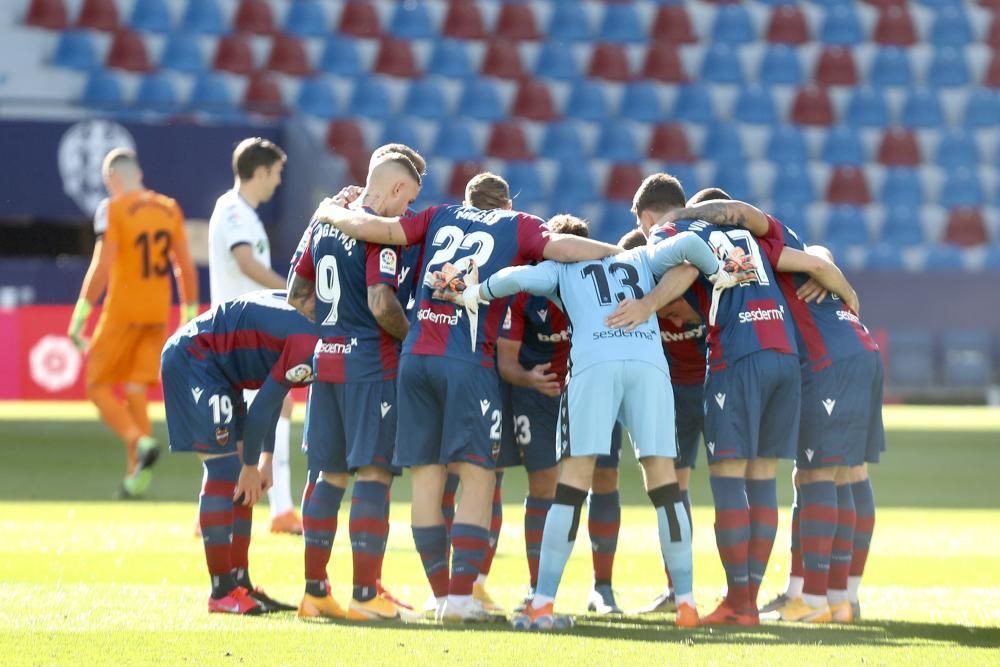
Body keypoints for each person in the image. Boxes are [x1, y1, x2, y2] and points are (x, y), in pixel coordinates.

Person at [310, 172, 620, 622]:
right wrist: (622, 253)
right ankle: (460, 599)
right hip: (467, 360)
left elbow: (371, 228)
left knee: (427, 478)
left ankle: (441, 597)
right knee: (479, 476)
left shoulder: (437, 215)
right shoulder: (520, 225)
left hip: (414, 356)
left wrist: (327, 209)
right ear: (507, 203)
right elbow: (564, 248)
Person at [442, 215, 745, 630]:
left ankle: (543, 601)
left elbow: (516, 278)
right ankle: (688, 604)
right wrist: (720, 272)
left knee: (571, 486)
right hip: (648, 363)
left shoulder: (560, 268)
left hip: (594, 362)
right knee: (665, 485)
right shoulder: (638, 256)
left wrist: (474, 293)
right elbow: (692, 244)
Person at [606, 174, 858, 625]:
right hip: (784, 353)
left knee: (728, 480)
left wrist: (645, 306)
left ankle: (739, 603)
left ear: (647, 218)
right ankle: (751, 600)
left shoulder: (674, 233)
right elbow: (817, 260)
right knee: (764, 480)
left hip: (738, 355)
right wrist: (850, 296)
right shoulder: (752, 238)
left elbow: (683, 268)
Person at [286, 153, 422, 621]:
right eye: (410, 200)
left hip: (327, 362)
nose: (406, 213)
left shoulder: (323, 227)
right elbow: (382, 302)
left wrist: (335, 329)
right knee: (374, 473)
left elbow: (296, 294)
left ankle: (315, 592)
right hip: (372, 365)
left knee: (328, 475)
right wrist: (412, 338)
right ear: (399, 190)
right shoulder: (376, 235)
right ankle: (366, 595)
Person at [160, 290, 318, 615]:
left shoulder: (317, 324)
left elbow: (273, 396)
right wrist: (250, 463)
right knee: (225, 471)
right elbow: (262, 405)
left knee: (246, 479)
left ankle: (239, 581)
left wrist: (265, 460)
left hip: (222, 370)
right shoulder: (316, 341)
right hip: (195, 358)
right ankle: (220, 591)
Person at [498, 216, 625, 614]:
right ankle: (539, 590)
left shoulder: (606, 291)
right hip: (539, 398)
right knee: (544, 487)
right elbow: (506, 362)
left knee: (604, 478)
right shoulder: (526, 291)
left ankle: (602, 590)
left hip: (595, 394)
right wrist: (528, 378)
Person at [68, 148, 198, 499]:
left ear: (112, 179)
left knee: (97, 386)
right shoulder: (169, 207)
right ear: (138, 174)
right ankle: (135, 478)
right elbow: (184, 265)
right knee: (137, 388)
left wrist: (81, 313)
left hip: (123, 311)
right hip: (158, 313)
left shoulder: (113, 209)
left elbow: (103, 263)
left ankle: (138, 440)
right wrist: (188, 312)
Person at [208, 137, 301, 535]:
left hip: (246, 330)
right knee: (275, 409)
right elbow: (245, 262)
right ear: (260, 171)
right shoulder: (233, 211)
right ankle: (280, 510)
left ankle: (209, 511)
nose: (277, 182)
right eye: (276, 173)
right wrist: (292, 294)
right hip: (243, 332)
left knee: (246, 419)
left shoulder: (243, 212)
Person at [616, 229, 706, 615]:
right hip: (673, 393)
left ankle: (739, 592)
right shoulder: (630, 296)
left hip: (713, 383)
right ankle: (678, 588)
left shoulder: (691, 281)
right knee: (676, 488)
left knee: (735, 480)